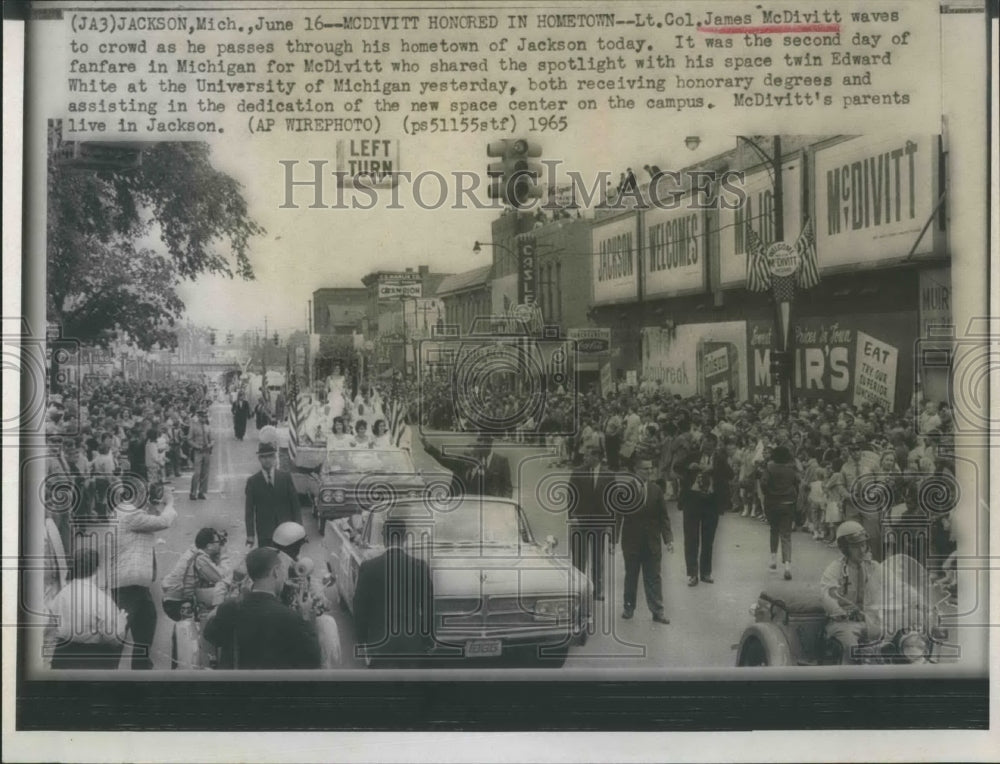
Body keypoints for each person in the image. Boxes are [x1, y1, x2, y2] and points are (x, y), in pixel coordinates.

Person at [203, 547, 322, 670]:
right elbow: (312, 661)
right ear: (275, 571)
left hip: (235, 686)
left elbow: (210, 636)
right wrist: (305, 617)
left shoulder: (229, 608)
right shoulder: (292, 618)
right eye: (282, 571)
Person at [111, 482, 178, 669]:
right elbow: (163, 522)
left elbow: (150, 520)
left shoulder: (127, 511)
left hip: (135, 583)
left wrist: (155, 506)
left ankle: (141, 668)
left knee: (147, 622)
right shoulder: (129, 513)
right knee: (118, 633)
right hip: (127, 584)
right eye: (144, 494)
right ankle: (107, 673)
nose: (147, 498)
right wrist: (170, 502)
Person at [353, 516, 435, 666]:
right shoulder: (419, 567)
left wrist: (363, 641)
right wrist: (427, 640)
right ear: (404, 538)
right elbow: (428, 609)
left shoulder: (369, 568)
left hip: (379, 644)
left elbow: (360, 609)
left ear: (384, 539)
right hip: (412, 645)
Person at [614, 459, 673, 623]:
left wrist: (668, 539)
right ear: (636, 470)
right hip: (631, 542)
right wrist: (614, 539)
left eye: (650, 469)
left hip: (652, 543)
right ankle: (628, 607)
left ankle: (657, 611)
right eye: (645, 469)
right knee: (631, 576)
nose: (649, 472)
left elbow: (664, 517)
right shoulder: (625, 490)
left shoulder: (656, 490)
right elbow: (618, 517)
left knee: (654, 577)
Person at [48, 546, 127, 669]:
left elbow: (52, 624)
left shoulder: (61, 595)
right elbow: (113, 640)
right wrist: (122, 623)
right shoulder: (101, 599)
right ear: (97, 570)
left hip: (61, 657)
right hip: (91, 660)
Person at [819, 521, 884, 663]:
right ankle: (848, 680)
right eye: (855, 546)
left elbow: (896, 584)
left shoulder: (874, 567)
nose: (862, 550)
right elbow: (828, 594)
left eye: (863, 544)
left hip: (870, 621)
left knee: (900, 640)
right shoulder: (835, 569)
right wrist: (839, 611)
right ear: (844, 548)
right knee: (851, 647)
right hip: (844, 623)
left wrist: (917, 601)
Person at [677, 432, 733, 586]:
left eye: (709, 448)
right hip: (692, 501)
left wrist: (713, 470)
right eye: (704, 446)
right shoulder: (692, 456)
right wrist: (689, 467)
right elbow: (677, 467)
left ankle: (706, 573)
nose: (706, 450)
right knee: (691, 539)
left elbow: (731, 474)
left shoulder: (720, 460)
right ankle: (692, 574)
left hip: (711, 502)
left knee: (708, 540)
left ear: (715, 447)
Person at [567, 446, 616, 601]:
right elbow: (571, 496)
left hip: (598, 523)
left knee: (597, 558)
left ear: (597, 457)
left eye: (587, 455)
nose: (584, 458)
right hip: (579, 522)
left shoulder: (609, 475)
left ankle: (597, 590)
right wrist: (572, 516)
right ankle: (578, 589)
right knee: (579, 558)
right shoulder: (577, 472)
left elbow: (612, 502)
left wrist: (610, 525)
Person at [160, 527, 228, 622]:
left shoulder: (195, 550)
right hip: (178, 603)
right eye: (218, 542)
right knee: (225, 594)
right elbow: (221, 577)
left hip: (172, 599)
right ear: (209, 546)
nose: (220, 545)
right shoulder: (200, 559)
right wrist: (224, 556)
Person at [244, 441, 302, 549]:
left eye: (270, 456)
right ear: (259, 459)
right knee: (268, 563)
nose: (267, 460)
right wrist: (250, 535)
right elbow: (249, 511)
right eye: (263, 457)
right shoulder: (253, 482)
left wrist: (299, 529)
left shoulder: (285, 478)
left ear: (274, 457)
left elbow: (295, 505)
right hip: (265, 533)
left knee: (288, 562)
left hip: (286, 531)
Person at [763, 445, 800, 580]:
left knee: (774, 530)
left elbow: (764, 483)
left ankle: (773, 559)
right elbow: (797, 484)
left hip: (772, 503)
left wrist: (768, 494)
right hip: (788, 503)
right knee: (786, 535)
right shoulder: (791, 469)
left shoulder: (769, 467)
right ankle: (787, 566)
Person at [187, 409, 213, 500]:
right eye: (202, 417)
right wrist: (196, 446)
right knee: (197, 473)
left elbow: (212, 439)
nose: (204, 418)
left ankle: (201, 492)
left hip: (206, 451)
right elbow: (189, 439)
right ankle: (193, 492)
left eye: (205, 417)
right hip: (198, 451)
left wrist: (211, 444)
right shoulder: (193, 427)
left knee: (205, 473)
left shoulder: (207, 427)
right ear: (199, 417)